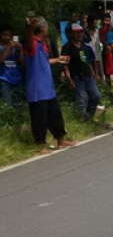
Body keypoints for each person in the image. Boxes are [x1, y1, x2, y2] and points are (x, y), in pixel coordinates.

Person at [23, 18, 73, 152]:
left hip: (48, 87)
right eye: (46, 26)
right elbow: (28, 40)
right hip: (37, 88)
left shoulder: (43, 43)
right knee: (39, 119)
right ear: (41, 29)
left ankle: (60, 140)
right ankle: (40, 145)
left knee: (55, 115)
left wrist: (58, 59)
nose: (48, 29)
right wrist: (29, 27)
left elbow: (44, 60)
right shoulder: (31, 43)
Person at [61, 23, 101, 121]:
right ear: (71, 34)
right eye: (76, 32)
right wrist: (69, 79)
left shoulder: (85, 47)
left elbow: (88, 61)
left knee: (96, 96)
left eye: (80, 32)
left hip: (88, 76)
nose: (79, 34)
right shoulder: (67, 48)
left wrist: (95, 73)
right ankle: (81, 119)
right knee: (82, 98)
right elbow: (65, 65)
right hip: (76, 77)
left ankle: (89, 117)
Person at [0, 26, 24, 106]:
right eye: (5, 35)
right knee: (7, 105)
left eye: (9, 35)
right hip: (4, 79)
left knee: (18, 104)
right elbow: (1, 60)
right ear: (1, 35)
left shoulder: (15, 47)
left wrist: (20, 50)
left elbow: (21, 62)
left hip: (17, 78)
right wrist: (9, 47)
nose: (7, 37)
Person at [98, 13, 113, 87]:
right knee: (106, 71)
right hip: (105, 51)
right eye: (105, 20)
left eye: (108, 20)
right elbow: (101, 40)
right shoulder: (100, 29)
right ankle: (109, 87)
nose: (106, 22)